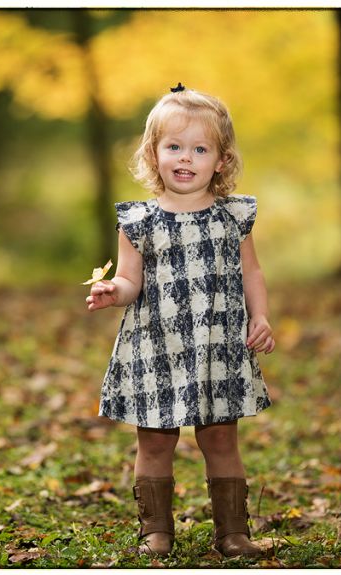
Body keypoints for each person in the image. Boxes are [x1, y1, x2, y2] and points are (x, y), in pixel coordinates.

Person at [86, 84, 275, 558]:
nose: (185, 158)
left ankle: (233, 532)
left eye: (200, 149)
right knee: (154, 441)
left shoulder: (233, 217)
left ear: (221, 160)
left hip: (217, 344)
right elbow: (130, 280)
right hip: (156, 347)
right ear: (154, 154)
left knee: (221, 437)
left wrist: (261, 316)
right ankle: (156, 531)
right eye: (174, 146)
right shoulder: (139, 222)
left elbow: (251, 272)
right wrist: (114, 292)